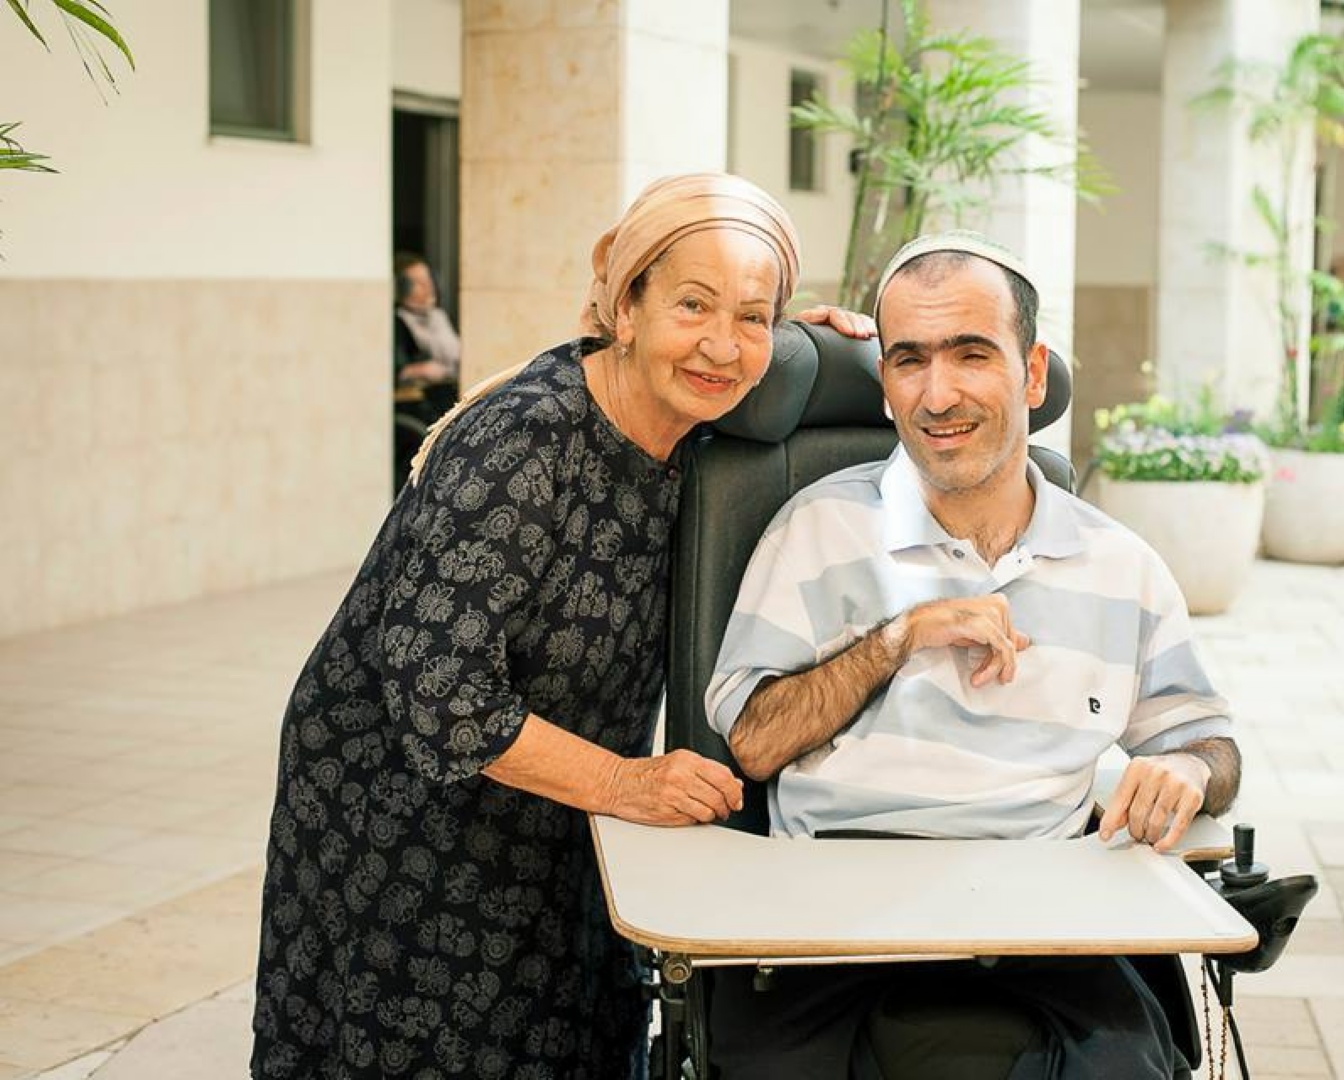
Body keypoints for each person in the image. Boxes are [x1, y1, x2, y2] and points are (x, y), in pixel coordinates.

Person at [250, 172, 875, 1079]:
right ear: (625, 307)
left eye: (752, 316)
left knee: (569, 1031)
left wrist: (828, 346)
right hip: (402, 811)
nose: (721, 343)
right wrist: (626, 781)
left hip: (556, 801)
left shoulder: (697, 421)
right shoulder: (527, 439)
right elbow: (443, 698)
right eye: (692, 304)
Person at [703, 231, 1241, 1078]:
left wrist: (1189, 771)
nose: (938, 393)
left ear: (1033, 374)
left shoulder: (1121, 566)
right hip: (829, 913)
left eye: (971, 354)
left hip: (1048, 915)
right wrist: (900, 637)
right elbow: (755, 743)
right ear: (885, 385)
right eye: (909, 359)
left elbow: (1210, 741)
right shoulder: (815, 529)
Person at [394, 252, 462, 388]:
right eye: (418, 283)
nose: (428, 286)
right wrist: (415, 371)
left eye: (429, 279)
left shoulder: (439, 316)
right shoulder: (398, 321)